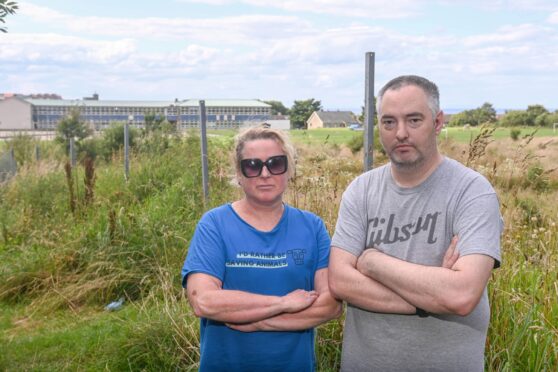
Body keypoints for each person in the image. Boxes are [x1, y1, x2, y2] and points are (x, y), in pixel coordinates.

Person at [328, 75, 503, 371]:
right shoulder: (361, 190)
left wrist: (371, 262)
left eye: (413, 120)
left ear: (437, 123)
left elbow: (461, 296)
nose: (400, 133)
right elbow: (340, 280)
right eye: (389, 122)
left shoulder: (472, 191)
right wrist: (428, 298)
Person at [181, 126, 341, 372]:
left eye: (276, 163)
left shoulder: (312, 226)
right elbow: (204, 301)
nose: (265, 173)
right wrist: (283, 303)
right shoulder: (214, 224)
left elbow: (330, 305)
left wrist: (259, 323)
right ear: (239, 173)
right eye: (253, 165)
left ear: (289, 169)